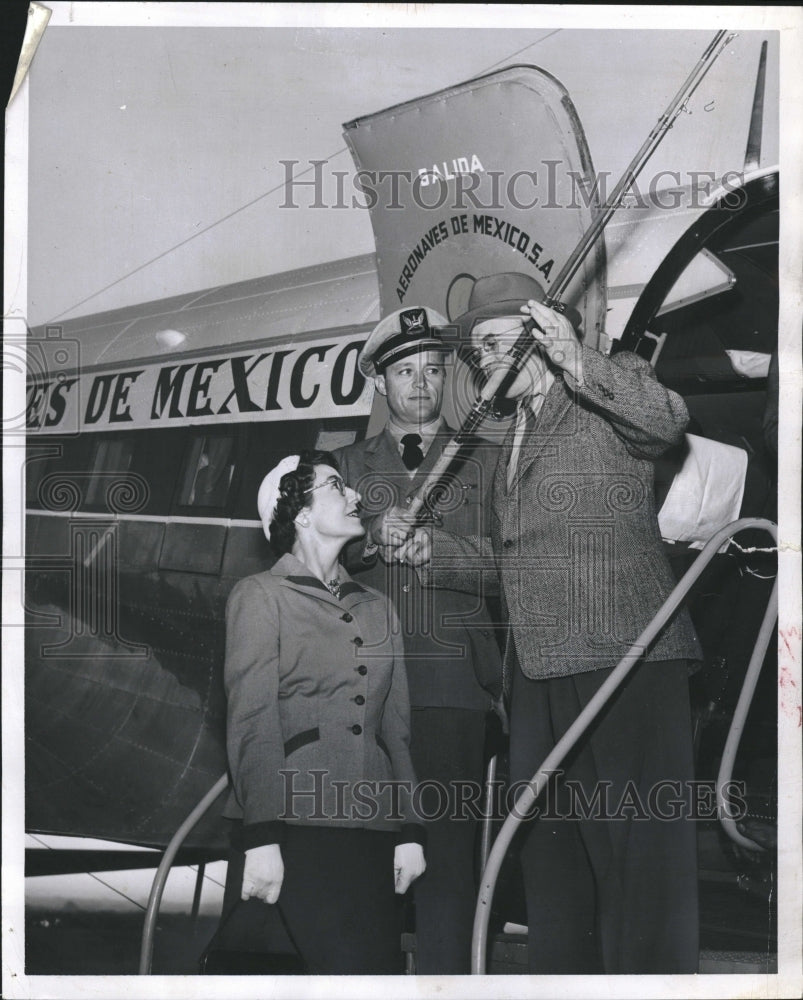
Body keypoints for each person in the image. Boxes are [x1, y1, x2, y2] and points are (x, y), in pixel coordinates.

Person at [398, 272, 703, 974]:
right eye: (477, 353)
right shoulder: (512, 434)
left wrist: (576, 359)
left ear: (542, 335)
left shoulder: (605, 386)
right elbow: (522, 559)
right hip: (538, 673)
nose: (485, 362)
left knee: (639, 864)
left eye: (498, 342)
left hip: (622, 662)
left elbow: (666, 418)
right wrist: (435, 555)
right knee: (551, 869)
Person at [332, 307, 503, 974]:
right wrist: (371, 539)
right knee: (363, 859)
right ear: (380, 382)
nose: (422, 383)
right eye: (405, 371)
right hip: (359, 691)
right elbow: (309, 568)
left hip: (448, 688)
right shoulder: (342, 466)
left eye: (433, 369)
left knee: (445, 861)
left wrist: (441, 549)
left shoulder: (484, 463)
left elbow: (513, 566)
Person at [220, 450, 426, 975]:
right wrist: (262, 837)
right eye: (338, 486)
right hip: (296, 825)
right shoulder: (261, 596)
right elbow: (252, 720)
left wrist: (411, 833)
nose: (356, 495)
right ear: (302, 513)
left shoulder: (378, 606)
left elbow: (395, 731)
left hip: (375, 830)